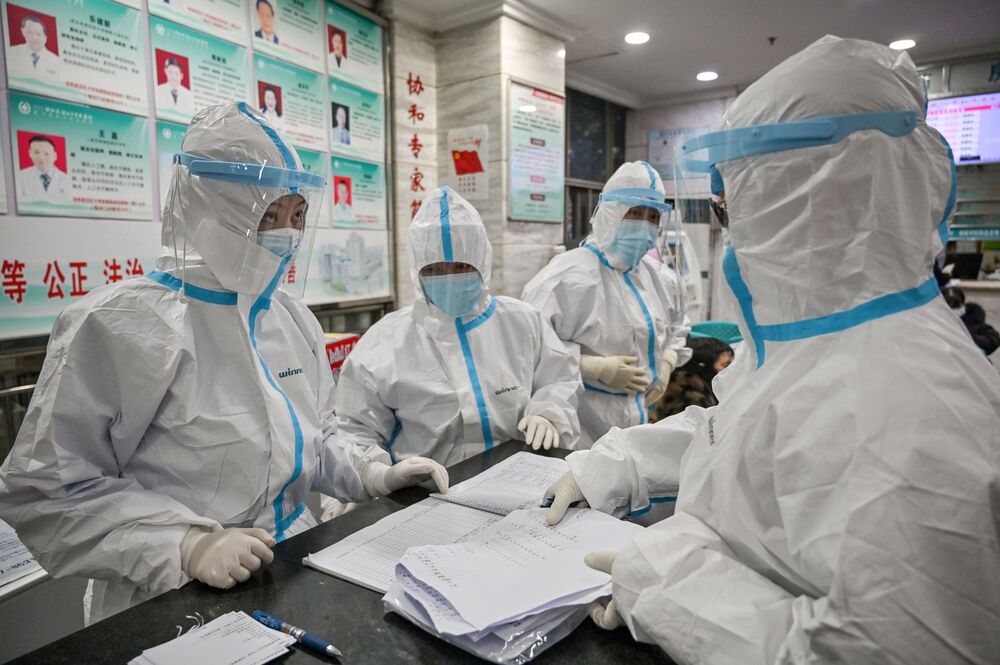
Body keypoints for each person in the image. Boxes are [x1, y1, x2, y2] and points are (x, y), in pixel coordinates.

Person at [544, 36, 1000, 664]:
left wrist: (670, 588)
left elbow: (877, 649)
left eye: (738, 207)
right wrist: (619, 462)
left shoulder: (908, 407)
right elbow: (742, 436)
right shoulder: (832, 335)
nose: (731, 232)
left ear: (803, 203)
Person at [0, 102, 447, 626]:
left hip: (291, 565)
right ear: (210, 208)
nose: (285, 233)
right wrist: (184, 544)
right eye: (267, 215)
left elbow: (316, 439)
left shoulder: (289, 318)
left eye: (296, 215)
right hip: (169, 596)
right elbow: (47, 491)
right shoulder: (120, 325)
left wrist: (375, 472)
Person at [335, 186, 581, 466]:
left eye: (461, 267)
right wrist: (379, 475)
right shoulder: (386, 341)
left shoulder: (523, 321)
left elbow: (559, 379)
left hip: (518, 477)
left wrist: (548, 412)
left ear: (482, 263)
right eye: (436, 270)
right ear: (417, 271)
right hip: (425, 495)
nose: (449, 278)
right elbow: (355, 429)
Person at [521, 161, 691, 448]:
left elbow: (677, 326)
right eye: (635, 212)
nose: (645, 224)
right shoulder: (565, 278)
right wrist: (592, 367)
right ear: (611, 213)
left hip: (637, 422)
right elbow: (531, 348)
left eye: (652, 216)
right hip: (583, 424)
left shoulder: (661, 278)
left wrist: (666, 363)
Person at [649, 336, 733, 422]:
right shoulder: (685, 385)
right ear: (703, 363)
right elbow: (698, 428)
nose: (729, 370)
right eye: (725, 365)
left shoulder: (685, 381)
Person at [943, 286, 1000, 355]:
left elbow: (992, 341)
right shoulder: (935, 323)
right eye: (948, 305)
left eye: (956, 305)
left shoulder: (975, 323)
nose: (952, 308)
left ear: (963, 304)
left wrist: (965, 336)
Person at [7, 14, 60, 82]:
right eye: (30, 33)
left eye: (38, 34)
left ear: (45, 38)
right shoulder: (10, 52)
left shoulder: (56, 61)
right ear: (23, 31)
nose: (34, 38)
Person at [17, 135, 69, 202]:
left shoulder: (66, 178)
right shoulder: (20, 176)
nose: (41, 158)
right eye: (36, 152)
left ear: (55, 156)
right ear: (30, 153)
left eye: (46, 153)